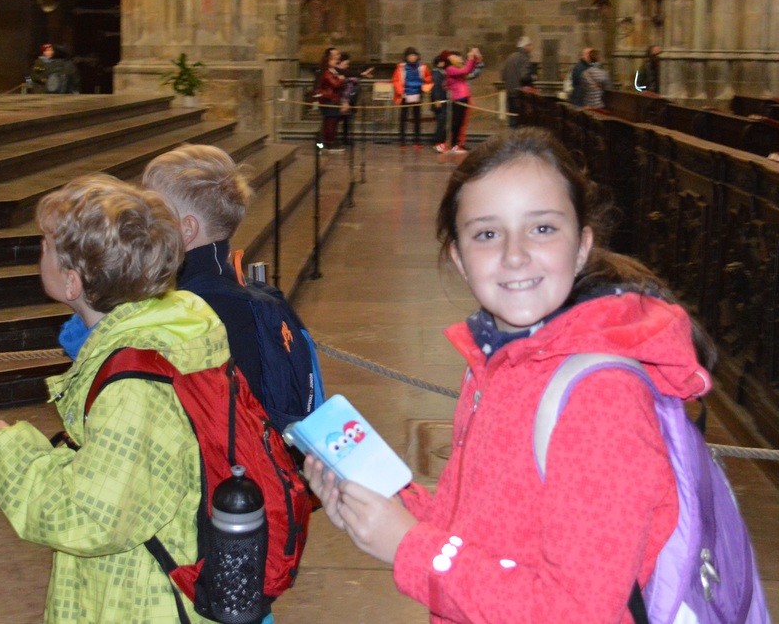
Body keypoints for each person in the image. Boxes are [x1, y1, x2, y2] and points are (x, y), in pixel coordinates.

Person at [303, 127, 715, 623]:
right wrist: (387, 506)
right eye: (487, 234)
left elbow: (578, 613)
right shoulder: (501, 361)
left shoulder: (601, 398)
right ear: (459, 258)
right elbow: (481, 529)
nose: (515, 255)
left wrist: (408, 546)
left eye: (542, 228)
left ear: (582, 245)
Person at [0, 174, 230, 624]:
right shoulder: (168, 328)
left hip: (142, 599)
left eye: (45, 246)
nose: (39, 253)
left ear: (72, 283)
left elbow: (93, 518)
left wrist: (0, 451)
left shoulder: (134, 383)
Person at [142, 143, 317, 426]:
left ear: (187, 229)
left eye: (151, 214)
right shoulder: (239, 294)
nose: (140, 225)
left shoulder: (191, 316)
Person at [433, 47, 482, 154]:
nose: (456, 58)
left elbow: (469, 70)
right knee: (455, 123)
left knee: (459, 123)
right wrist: (470, 58)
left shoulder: (455, 67)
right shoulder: (450, 69)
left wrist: (474, 59)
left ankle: (454, 145)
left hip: (464, 96)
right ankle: (444, 144)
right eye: (453, 56)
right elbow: (465, 70)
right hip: (458, 97)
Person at [391, 47, 433, 149]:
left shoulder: (422, 67)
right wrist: (401, 92)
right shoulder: (401, 67)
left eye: (414, 56)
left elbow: (428, 79)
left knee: (417, 118)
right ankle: (402, 140)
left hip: (417, 94)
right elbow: (396, 80)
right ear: (406, 57)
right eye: (410, 56)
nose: (412, 58)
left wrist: (424, 89)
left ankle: (417, 140)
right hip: (405, 95)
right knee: (403, 118)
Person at [337, 53, 373, 147]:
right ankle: (325, 141)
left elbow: (352, 75)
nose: (347, 66)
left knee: (347, 120)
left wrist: (362, 74)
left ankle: (345, 139)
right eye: (345, 64)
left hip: (349, 99)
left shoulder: (347, 72)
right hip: (340, 99)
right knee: (334, 120)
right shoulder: (336, 71)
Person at [313, 47, 345, 151]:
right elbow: (335, 84)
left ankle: (326, 143)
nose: (336, 61)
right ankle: (329, 144)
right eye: (333, 59)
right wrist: (340, 79)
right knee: (330, 123)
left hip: (334, 99)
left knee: (331, 122)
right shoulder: (327, 72)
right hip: (329, 99)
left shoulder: (333, 71)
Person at [501, 36, 534, 128]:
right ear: (525, 46)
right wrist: (533, 77)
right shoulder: (524, 58)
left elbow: (503, 76)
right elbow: (524, 76)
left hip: (510, 93)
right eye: (530, 45)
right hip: (521, 94)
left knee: (512, 121)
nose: (531, 48)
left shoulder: (510, 57)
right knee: (523, 122)